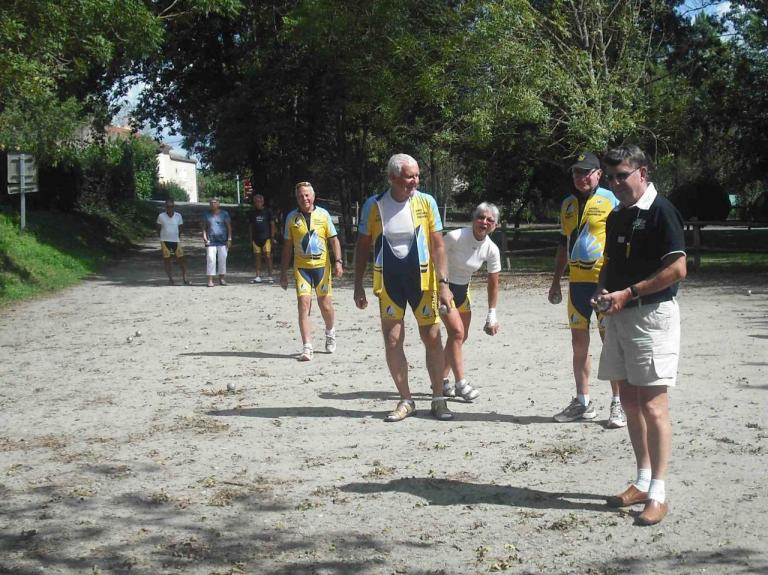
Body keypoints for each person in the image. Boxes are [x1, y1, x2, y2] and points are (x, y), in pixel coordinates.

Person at [594, 144, 686, 526]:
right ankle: (643, 479)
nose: (615, 183)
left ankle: (659, 493)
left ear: (642, 173)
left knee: (652, 406)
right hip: (618, 317)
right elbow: (610, 263)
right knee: (630, 403)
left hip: (651, 318)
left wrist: (629, 293)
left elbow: (678, 269)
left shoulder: (661, 211)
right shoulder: (618, 215)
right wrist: (602, 291)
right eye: (610, 177)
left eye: (622, 176)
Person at [353, 153, 454, 422]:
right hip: (389, 282)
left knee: (432, 337)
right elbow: (363, 246)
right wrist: (357, 284)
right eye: (410, 176)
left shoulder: (426, 202)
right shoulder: (373, 206)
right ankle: (406, 400)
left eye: (417, 175)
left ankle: (438, 399)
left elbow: (438, 245)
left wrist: (444, 284)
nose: (415, 181)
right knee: (393, 340)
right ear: (393, 178)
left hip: (422, 282)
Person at [548, 152, 626, 428]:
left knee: (610, 345)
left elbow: (621, 241)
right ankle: (583, 402)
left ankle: (618, 404)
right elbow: (562, 244)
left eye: (586, 172)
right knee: (579, 345)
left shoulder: (610, 199)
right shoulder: (567, 205)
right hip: (577, 284)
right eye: (576, 173)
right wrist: (557, 281)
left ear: (598, 174)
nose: (581, 178)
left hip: (604, 284)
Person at [441, 202, 502, 401]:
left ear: (495, 225)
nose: (484, 222)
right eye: (480, 217)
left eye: (490, 220)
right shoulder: (456, 237)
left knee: (460, 336)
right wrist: (442, 286)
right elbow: (434, 255)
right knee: (457, 333)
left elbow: (493, 282)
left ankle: (441, 380)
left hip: (462, 290)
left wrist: (491, 315)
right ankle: (460, 384)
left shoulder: (491, 249)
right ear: (473, 219)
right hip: (441, 288)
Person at [280, 182, 343, 361]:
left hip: (322, 267)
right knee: (304, 305)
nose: (304, 198)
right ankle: (307, 346)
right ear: (297, 199)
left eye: (307, 195)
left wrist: (338, 261)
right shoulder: (292, 218)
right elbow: (287, 246)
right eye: (300, 196)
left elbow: (334, 240)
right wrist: (283, 272)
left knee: (325, 305)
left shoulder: (323, 215)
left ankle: (330, 332)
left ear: (313, 197)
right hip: (302, 268)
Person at [156, 199, 189, 285]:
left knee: (181, 259)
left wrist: (177, 236)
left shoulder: (178, 216)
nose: (169, 208)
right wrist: (161, 238)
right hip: (165, 241)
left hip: (176, 241)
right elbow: (158, 228)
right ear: (165, 207)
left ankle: (185, 278)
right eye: (168, 207)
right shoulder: (161, 216)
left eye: (171, 207)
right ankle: (170, 279)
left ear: (174, 207)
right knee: (167, 260)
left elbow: (181, 227)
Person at [202, 198, 232, 287]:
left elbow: (229, 227)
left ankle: (222, 278)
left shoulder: (224, 214)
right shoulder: (206, 214)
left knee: (222, 259)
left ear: (218, 204)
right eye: (211, 203)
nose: (212, 204)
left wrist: (229, 239)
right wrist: (204, 237)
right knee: (211, 258)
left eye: (214, 203)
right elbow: (204, 227)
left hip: (223, 240)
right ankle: (210, 280)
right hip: (210, 240)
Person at [248, 194, 277, 283]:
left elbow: (272, 224)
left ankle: (270, 276)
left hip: (266, 238)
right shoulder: (252, 213)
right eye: (256, 202)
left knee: (268, 257)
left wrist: (272, 237)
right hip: (256, 239)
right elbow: (250, 226)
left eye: (259, 201)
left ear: (263, 202)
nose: (258, 203)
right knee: (257, 257)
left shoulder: (268, 212)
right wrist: (250, 238)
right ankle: (257, 276)